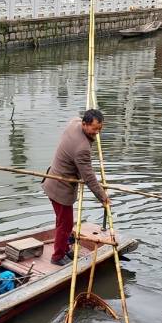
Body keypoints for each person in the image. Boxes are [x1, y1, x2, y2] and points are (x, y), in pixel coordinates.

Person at [42, 109, 110, 266]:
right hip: (60, 188)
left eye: (100, 128)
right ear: (85, 124)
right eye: (94, 129)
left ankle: (65, 248)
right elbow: (89, 178)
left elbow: (75, 118)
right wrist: (103, 197)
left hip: (51, 180)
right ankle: (57, 256)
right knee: (65, 224)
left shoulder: (74, 124)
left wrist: (91, 132)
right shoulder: (82, 149)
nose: (97, 133)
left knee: (64, 221)